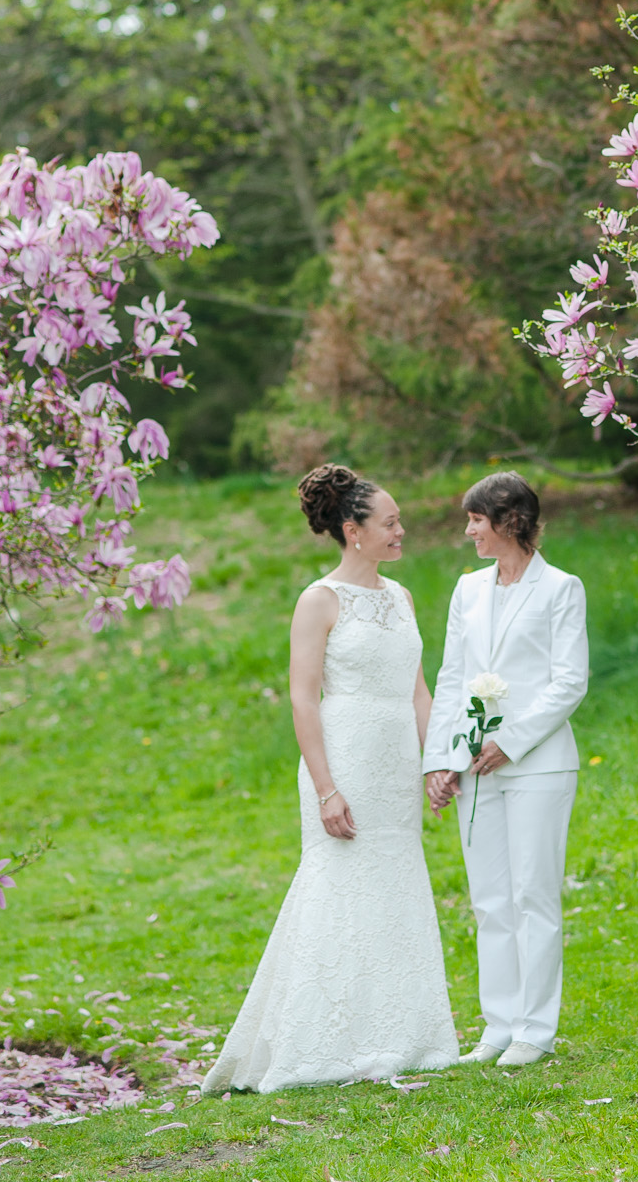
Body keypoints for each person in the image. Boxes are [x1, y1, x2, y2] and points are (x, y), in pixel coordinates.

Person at [201, 464, 458, 1094]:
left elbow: (417, 687)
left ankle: (406, 1036)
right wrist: (325, 787)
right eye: (390, 522)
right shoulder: (319, 600)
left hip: (395, 761)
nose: (403, 530)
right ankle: (318, 1043)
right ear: (354, 530)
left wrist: (436, 759)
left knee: (395, 886)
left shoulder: (400, 597)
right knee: (337, 887)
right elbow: (303, 698)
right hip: (343, 761)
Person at [422, 472, 588, 1067]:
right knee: (490, 899)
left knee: (532, 895)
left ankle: (535, 1032)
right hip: (473, 766)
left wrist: (511, 742)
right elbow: (450, 676)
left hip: (539, 766)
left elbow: (570, 682)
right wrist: (441, 759)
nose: (468, 531)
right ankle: (497, 1027)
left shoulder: (562, 588)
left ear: (510, 520)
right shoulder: (467, 589)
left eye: (475, 520)